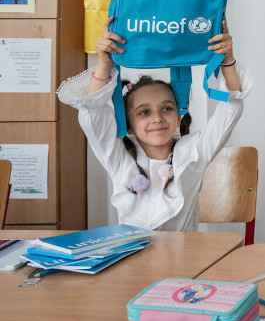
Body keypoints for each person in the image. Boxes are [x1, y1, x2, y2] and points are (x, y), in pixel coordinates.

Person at [57, 18, 251, 231]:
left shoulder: (193, 153)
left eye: (167, 108)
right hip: (133, 259)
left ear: (179, 115)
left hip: (184, 260)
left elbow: (230, 109)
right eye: (144, 112)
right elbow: (92, 112)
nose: (157, 118)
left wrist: (227, 60)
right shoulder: (120, 158)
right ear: (128, 124)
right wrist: (104, 64)